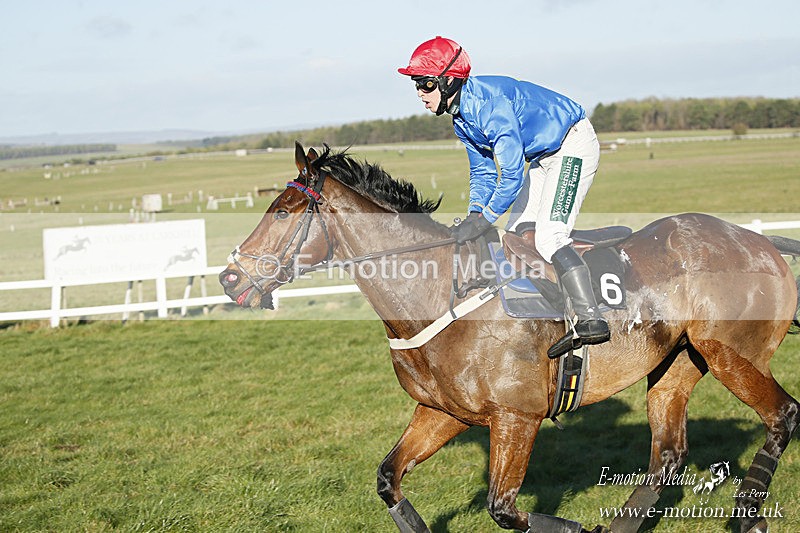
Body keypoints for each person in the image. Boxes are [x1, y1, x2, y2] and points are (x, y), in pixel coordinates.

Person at [398, 36, 609, 357]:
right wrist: (474, 214)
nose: (419, 94)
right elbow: (483, 173)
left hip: (572, 144)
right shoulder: (461, 119)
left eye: (426, 84)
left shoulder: (490, 108)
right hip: (542, 155)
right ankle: (552, 307)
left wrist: (484, 219)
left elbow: (509, 178)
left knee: (550, 237)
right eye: (416, 84)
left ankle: (591, 318)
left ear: (448, 81)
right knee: (516, 238)